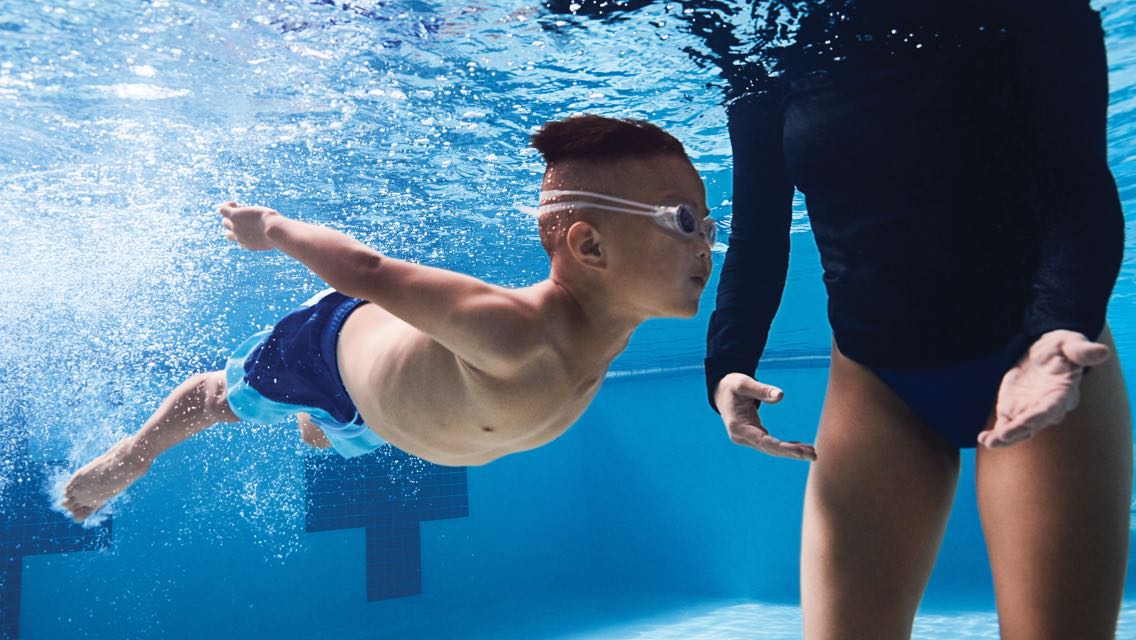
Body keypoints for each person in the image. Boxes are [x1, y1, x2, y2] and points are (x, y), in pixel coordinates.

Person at [699, 1, 1132, 638]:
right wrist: (727, 365)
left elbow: (1082, 187)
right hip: (875, 383)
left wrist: (1060, 331)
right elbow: (759, 232)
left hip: (1036, 356)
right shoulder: (770, 33)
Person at [62, 114, 715, 523]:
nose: (706, 243)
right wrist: (272, 227)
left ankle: (321, 420)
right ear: (590, 247)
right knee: (214, 398)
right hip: (329, 350)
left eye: (709, 223)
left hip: (387, 414)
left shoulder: (607, 326)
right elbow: (367, 273)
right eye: (682, 221)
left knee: (333, 426)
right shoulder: (513, 333)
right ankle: (129, 456)